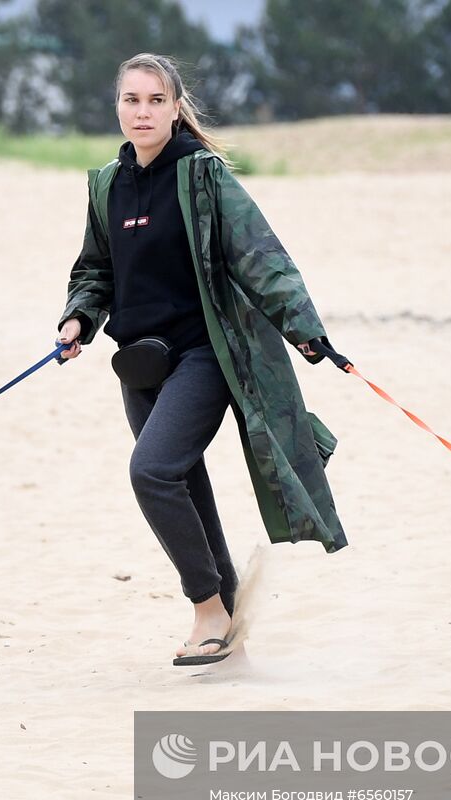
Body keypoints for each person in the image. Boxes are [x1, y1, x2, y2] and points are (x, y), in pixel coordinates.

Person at [56, 52, 347, 666]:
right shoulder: (107, 184)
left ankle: (206, 609)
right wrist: (79, 317)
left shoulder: (202, 176)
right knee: (180, 477)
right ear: (117, 106)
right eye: (132, 100)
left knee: (151, 471)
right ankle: (228, 602)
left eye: (156, 101)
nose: (143, 112)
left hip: (202, 353)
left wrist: (305, 329)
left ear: (176, 107)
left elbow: (259, 254)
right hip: (139, 362)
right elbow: (97, 268)